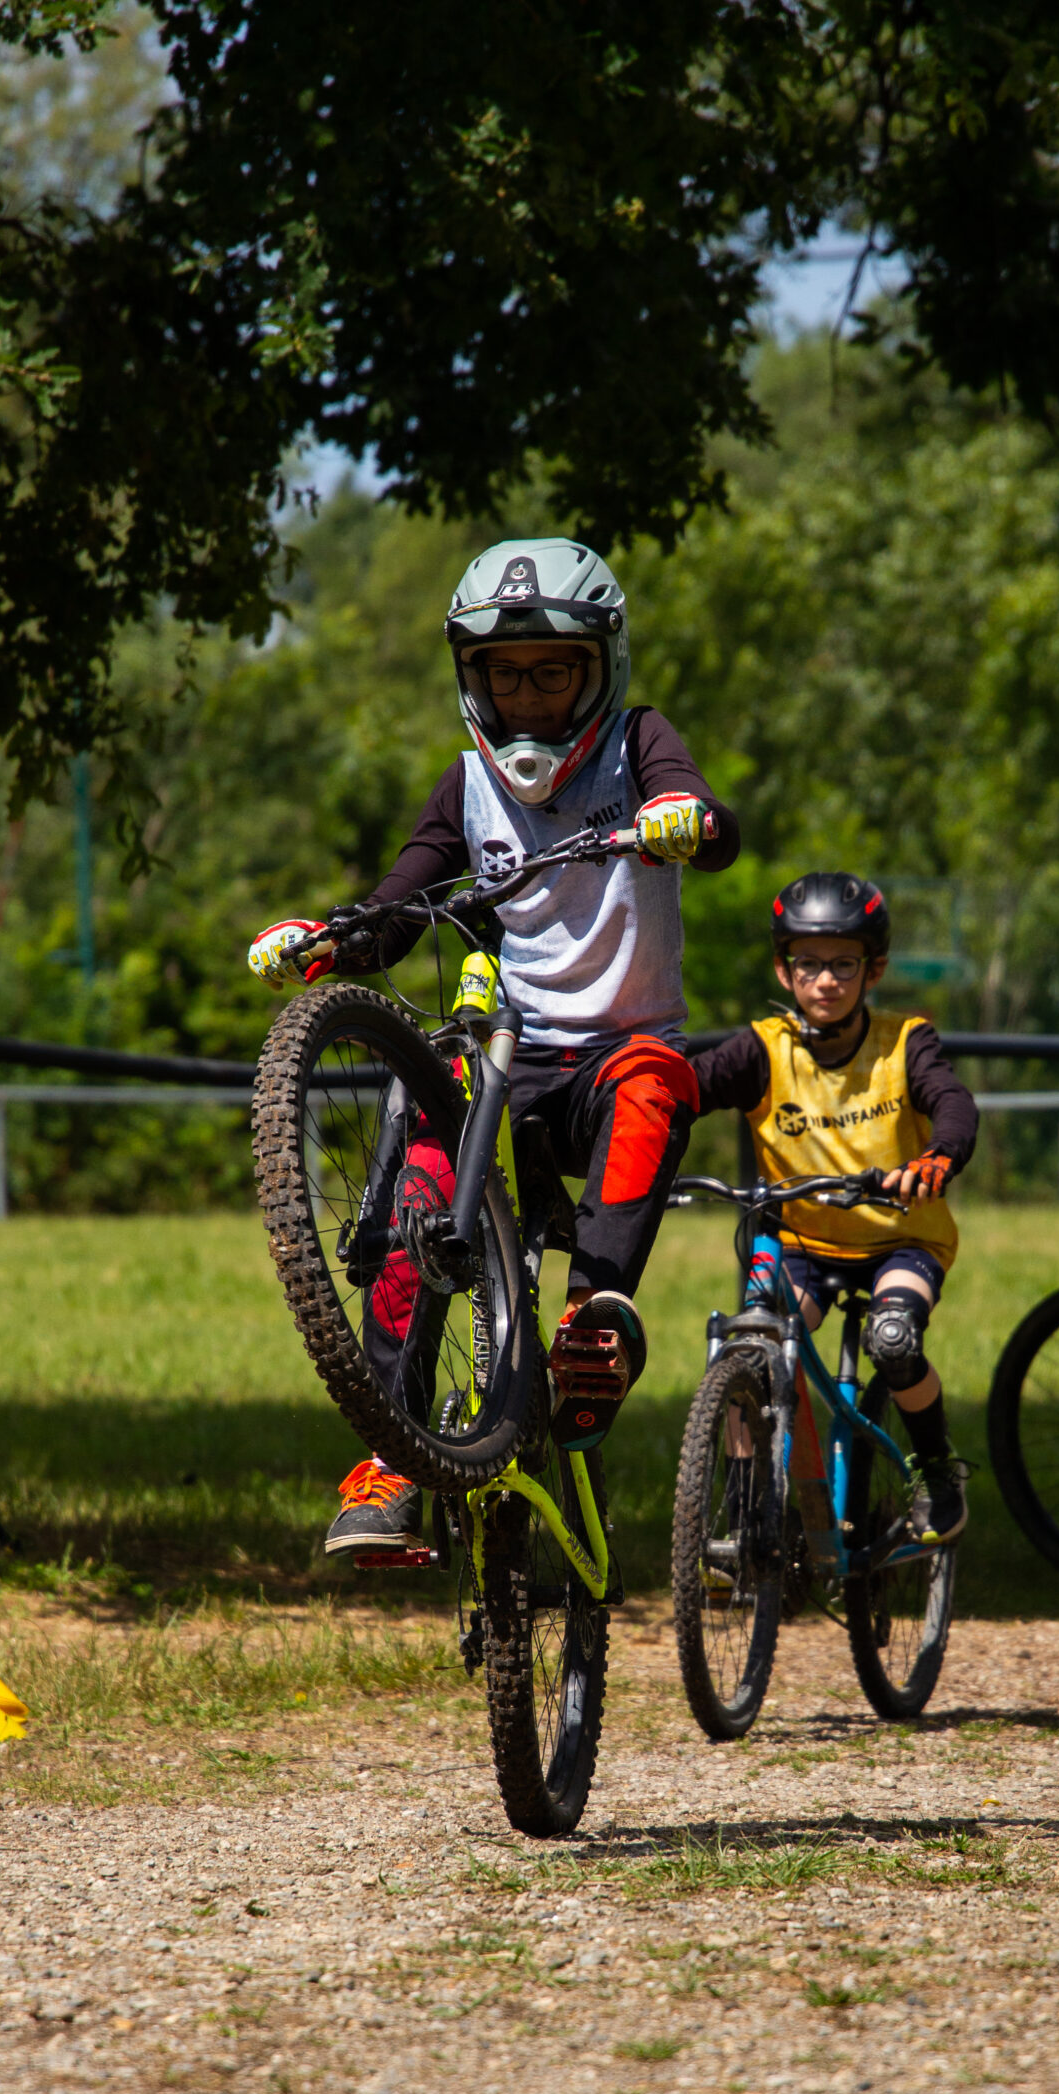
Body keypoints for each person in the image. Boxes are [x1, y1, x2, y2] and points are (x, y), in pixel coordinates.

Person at [252, 537, 740, 1564]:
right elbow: (400, 906)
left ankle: (592, 1321)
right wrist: (330, 939)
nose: (527, 699)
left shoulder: (637, 742)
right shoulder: (466, 787)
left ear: (598, 669)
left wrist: (680, 819)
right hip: (511, 1070)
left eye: (552, 672)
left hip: (616, 1055)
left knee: (659, 1079)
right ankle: (392, 1458)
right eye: (504, 674)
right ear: (472, 677)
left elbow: (706, 813)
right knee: (417, 1202)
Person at [692, 872, 978, 1544]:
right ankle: (742, 1519)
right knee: (751, 1357)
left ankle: (937, 1470)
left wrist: (938, 1156)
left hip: (898, 1241)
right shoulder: (762, 1049)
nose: (825, 980)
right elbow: (686, 1089)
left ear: (872, 968)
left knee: (893, 1339)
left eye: (842, 964)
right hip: (804, 1249)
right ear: (782, 968)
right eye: (808, 964)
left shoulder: (904, 1040)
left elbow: (952, 1103)